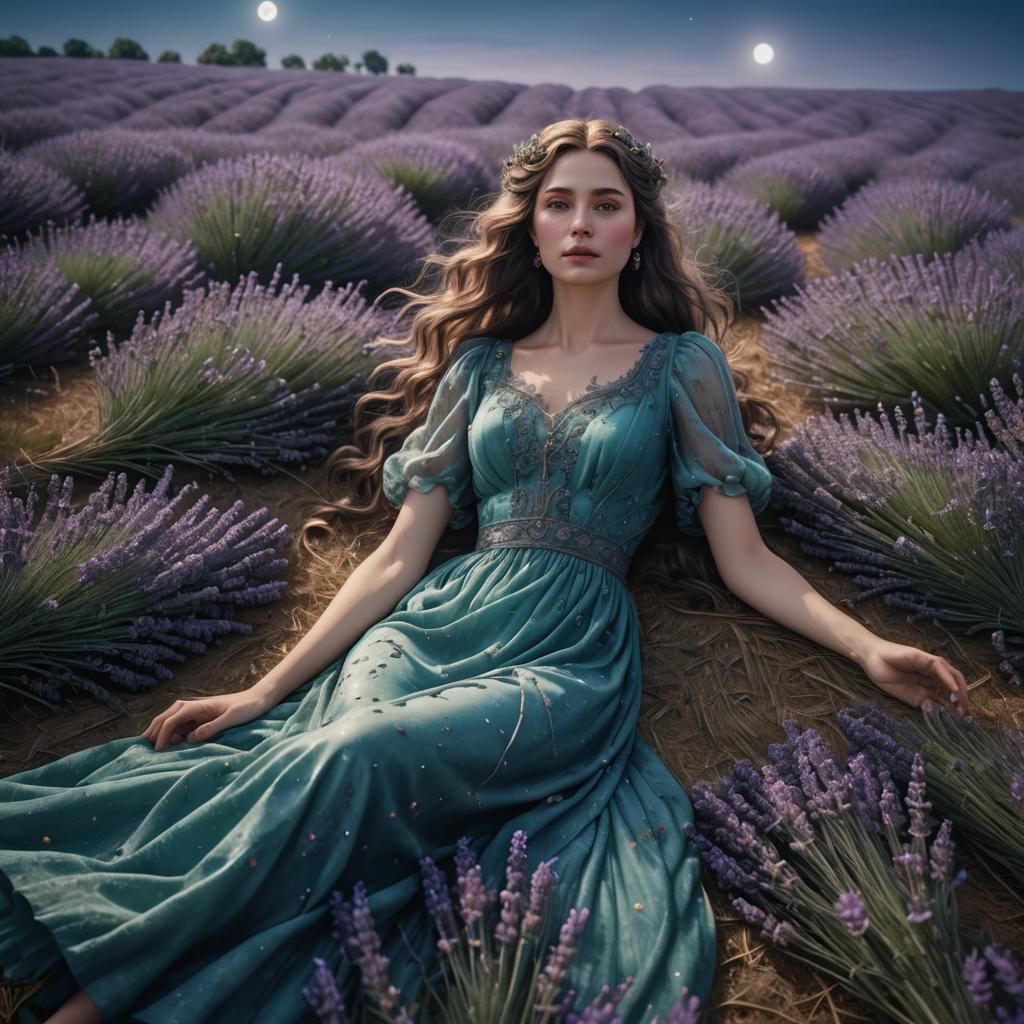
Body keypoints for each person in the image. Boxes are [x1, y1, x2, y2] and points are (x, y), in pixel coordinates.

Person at [0, 118, 971, 1024]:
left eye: (604, 203)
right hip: (438, 620)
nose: (580, 222)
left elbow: (745, 557)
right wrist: (263, 688)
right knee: (321, 748)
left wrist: (868, 644)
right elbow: (397, 556)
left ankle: (104, 989)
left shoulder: (684, 365)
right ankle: (124, 968)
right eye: (559, 203)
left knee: (355, 759)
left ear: (639, 230)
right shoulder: (476, 366)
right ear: (530, 227)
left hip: (568, 649)